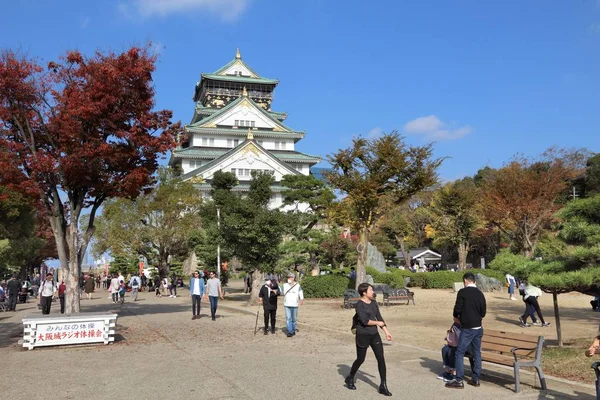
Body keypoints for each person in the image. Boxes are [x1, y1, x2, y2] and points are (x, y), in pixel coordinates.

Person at [344, 283, 393, 396]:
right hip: (363, 334)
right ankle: (350, 377)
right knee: (360, 359)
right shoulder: (359, 305)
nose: (373, 292)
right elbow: (365, 321)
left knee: (381, 359)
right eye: (370, 290)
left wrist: (386, 331)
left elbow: (379, 318)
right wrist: (377, 323)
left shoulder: (374, 303)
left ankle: (383, 385)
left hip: (374, 334)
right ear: (364, 293)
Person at [446, 272, 486, 389]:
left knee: (459, 353)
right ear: (474, 281)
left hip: (467, 328)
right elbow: (483, 312)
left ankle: (459, 380)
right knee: (476, 353)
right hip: (478, 327)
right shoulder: (480, 293)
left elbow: (457, 308)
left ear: (465, 281)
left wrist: (456, 316)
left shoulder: (463, 292)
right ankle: (476, 379)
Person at [281, 272, 304, 337]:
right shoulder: (284, 285)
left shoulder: (297, 285)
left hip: (295, 304)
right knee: (288, 318)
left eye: (290, 277)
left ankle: (293, 330)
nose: (289, 278)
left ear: (293, 278)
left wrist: (301, 299)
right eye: (288, 277)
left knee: (294, 319)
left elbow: (300, 292)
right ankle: (290, 331)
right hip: (287, 304)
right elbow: (278, 290)